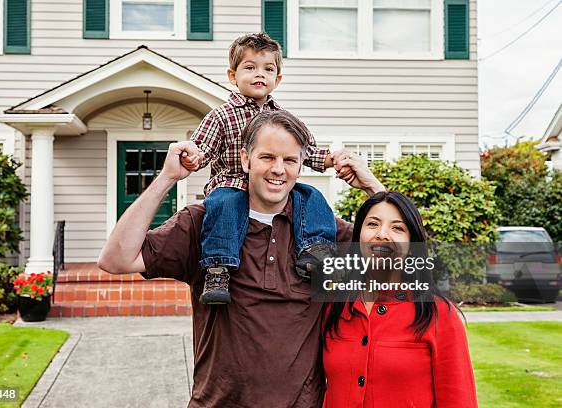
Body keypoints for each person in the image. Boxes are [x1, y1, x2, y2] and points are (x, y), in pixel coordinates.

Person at [97, 110, 385, 407]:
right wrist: (166, 178)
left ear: (301, 166)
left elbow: (405, 265)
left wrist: (372, 187)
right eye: (267, 157)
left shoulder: (322, 232)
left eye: (289, 160)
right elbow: (116, 259)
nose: (278, 169)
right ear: (246, 159)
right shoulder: (204, 223)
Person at [180, 32, 342, 305]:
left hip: (272, 185)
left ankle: (315, 251)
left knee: (310, 195)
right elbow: (202, 148)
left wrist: (333, 160)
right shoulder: (221, 115)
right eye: (250, 67)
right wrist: (192, 157)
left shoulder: (283, 118)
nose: (260, 74)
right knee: (224, 204)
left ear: (277, 79)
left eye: (268, 69)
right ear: (233, 75)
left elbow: (307, 152)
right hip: (232, 184)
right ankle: (218, 269)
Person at [322, 191, 478, 408]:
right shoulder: (334, 307)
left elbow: (459, 401)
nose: (382, 235)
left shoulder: (439, 314)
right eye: (373, 224)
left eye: (397, 228)